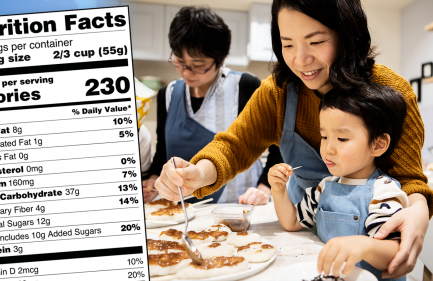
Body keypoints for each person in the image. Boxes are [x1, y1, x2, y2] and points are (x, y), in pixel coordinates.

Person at [154, 0, 433, 278]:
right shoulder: (279, 91)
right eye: (287, 44)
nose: (300, 60)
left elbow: (409, 180)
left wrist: (418, 213)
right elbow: (235, 145)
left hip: (372, 255)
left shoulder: (390, 92)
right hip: (304, 245)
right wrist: (197, 173)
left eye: (315, 42)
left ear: (347, 34)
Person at [269, 84, 408, 280]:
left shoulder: (383, 192)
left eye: (342, 138)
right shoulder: (325, 186)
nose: (328, 148)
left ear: (378, 144)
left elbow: (395, 254)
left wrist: (362, 246)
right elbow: (292, 221)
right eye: (324, 136)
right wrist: (278, 190)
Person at [142, 6, 274, 205]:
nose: (187, 72)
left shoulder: (245, 86)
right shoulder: (167, 94)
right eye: (180, 62)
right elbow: (163, 151)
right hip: (180, 209)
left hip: (237, 205)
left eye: (198, 66)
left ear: (221, 60)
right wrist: (153, 181)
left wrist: (264, 188)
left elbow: (278, 145)